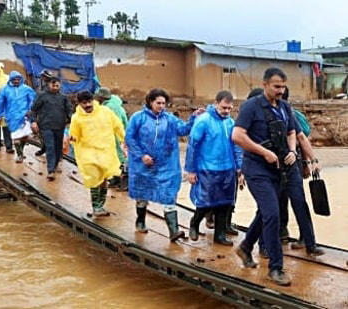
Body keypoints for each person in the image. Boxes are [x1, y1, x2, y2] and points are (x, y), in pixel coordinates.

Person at [232, 67, 320, 286]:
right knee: (272, 213)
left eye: (283, 87)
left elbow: (293, 132)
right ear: (265, 85)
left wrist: (291, 151)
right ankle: (275, 268)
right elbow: (237, 135)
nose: (281, 91)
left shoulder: (285, 107)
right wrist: (264, 152)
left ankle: (245, 247)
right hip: (258, 169)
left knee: (267, 212)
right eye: (276, 86)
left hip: (282, 168)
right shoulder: (251, 107)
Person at [125, 88, 202, 239]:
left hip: (166, 166)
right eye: (158, 103)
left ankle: (174, 231)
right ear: (150, 102)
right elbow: (130, 138)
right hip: (143, 166)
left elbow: (183, 130)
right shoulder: (138, 118)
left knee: (169, 195)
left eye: (164, 103)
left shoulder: (170, 119)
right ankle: (140, 221)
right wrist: (142, 155)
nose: (161, 106)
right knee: (142, 194)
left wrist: (193, 118)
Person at [185, 90, 243, 246]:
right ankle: (194, 223)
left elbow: (237, 146)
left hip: (227, 169)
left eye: (230, 108)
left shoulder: (230, 123)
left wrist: (239, 168)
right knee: (205, 203)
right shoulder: (203, 121)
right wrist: (191, 170)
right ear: (216, 103)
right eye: (224, 107)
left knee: (224, 204)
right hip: (207, 169)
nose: (227, 111)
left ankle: (220, 235)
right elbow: (192, 146)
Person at [69, 91, 125, 216]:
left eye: (89, 102)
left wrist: (124, 140)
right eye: (84, 103)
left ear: (93, 100)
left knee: (104, 178)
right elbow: (74, 134)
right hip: (88, 153)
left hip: (106, 151)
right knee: (94, 178)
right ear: (79, 103)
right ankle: (96, 207)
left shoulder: (105, 112)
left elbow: (118, 126)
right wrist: (72, 138)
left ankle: (101, 205)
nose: (88, 105)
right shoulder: (76, 118)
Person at [31, 77, 72, 180]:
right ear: (48, 85)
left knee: (58, 147)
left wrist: (71, 120)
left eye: (57, 85)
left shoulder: (63, 97)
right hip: (46, 125)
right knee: (50, 147)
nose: (54, 87)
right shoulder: (42, 96)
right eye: (52, 85)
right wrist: (34, 121)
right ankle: (51, 170)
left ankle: (56, 162)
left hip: (60, 125)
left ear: (60, 86)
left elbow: (69, 110)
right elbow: (34, 110)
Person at [0, 71, 36, 163]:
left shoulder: (27, 89)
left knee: (24, 136)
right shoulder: (4, 90)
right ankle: (19, 155)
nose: (16, 81)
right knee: (16, 138)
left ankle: (21, 151)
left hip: (24, 117)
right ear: (10, 80)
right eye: (14, 79)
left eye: (18, 79)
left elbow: (33, 100)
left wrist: (31, 110)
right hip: (11, 116)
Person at [94, 87, 128, 188]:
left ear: (101, 97)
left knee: (119, 156)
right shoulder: (112, 104)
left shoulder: (110, 107)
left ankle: (125, 180)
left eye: (97, 97)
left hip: (114, 135)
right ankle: (115, 178)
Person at [34, 69, 54, 156]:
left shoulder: (53, 86)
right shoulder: (42, 85)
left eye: (43, 76)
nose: (42, 78)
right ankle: (44, 148)